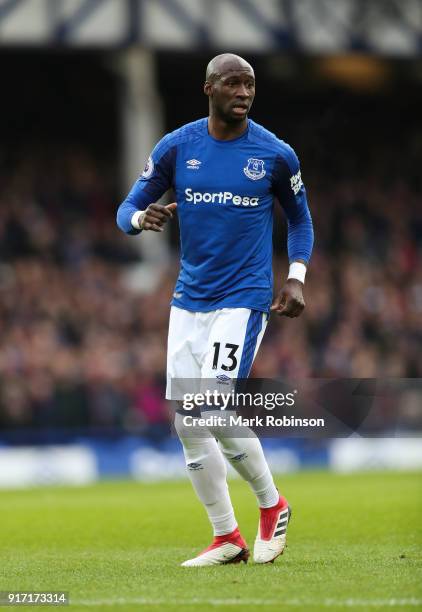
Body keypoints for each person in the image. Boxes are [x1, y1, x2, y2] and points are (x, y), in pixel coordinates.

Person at [117, 53, 314, 566]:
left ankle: (273, 505)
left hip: (244, 298)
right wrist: (142, 216)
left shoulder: (274, 154)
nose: (243, 91)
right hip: (189, 299)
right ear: (209, 88)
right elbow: (125, 209)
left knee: (211, 401)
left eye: (249, 83)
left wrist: (295, 277)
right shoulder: (178, 147)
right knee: (188, 420)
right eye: (232, 82)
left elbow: (301, 221)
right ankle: (227, 537)